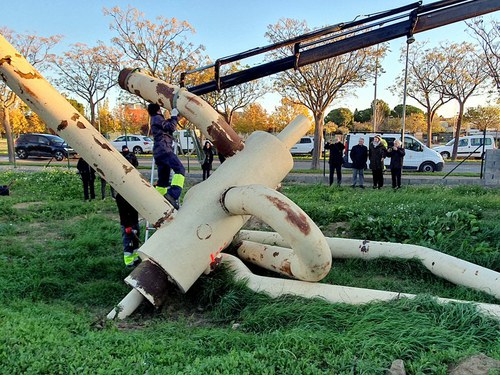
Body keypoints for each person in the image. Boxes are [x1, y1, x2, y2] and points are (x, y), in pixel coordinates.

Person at [148, 103, 185, 209]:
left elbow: (168, 125)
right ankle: (172, 195)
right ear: (158, 110)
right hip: (165, 150)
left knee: (163, 180)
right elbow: (171, 127)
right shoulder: (157, 118)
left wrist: (176, 117)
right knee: (180, 170)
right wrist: (173, 116)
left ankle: (160, 201)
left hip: (159, 152)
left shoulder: (155, 119)